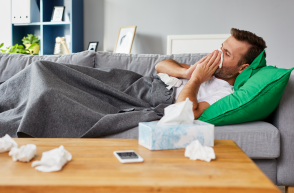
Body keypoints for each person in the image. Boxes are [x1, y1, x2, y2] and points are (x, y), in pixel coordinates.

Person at [155, 28, 267, 120]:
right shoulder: (206, 69)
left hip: (151, 99)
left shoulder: (225, 93)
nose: (218, 53)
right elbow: (160, 65)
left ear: (242, 68)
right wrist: (186, 73)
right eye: (221, 47)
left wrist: (196, 79)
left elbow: (184, 113)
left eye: (227, 53)